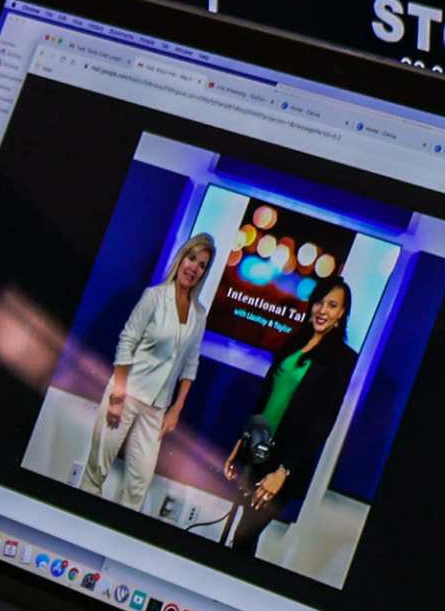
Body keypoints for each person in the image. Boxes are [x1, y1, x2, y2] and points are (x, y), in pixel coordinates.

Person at [222, 276, 361, 561]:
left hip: (284, 463)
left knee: (244, 536)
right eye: (319, 302)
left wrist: (283, 472)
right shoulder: (293, 342)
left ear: (342, 313)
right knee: (237, 528)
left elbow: (322, 423)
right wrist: (241, 442)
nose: (323, 310)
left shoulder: (343, 359)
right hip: (257, 448)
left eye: (332, 305)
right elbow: (265, 397)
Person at [79, 233, 218, 513]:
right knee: (96, 472)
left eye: (202, 264)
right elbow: (127, 341)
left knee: (138, 485)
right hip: (126, 395)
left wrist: (176, 409)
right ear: (182, 258)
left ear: (205, 272)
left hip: (157, 410)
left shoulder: (199, 314)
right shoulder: (154, 297)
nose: (194, 268)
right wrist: (117, 395)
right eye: (192, 259)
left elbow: (191, 363)